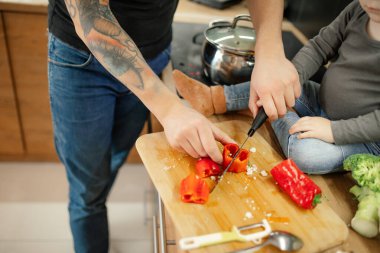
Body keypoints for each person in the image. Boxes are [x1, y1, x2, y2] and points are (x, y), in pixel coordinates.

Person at [48, 0, 296, 252]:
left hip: (153, 55)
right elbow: (90, 14)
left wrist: (270, 52)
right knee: (87, 188)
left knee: (113, 157)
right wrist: (169, 109)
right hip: (81, 62)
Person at [173, 0, 380, 174]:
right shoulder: (357, 10)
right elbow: (319, 47)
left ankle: (277, 115)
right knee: (277, 85)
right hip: (320, 101)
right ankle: (213, 99)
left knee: (308, 157)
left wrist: (334, 131)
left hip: (364, 139)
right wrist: (287, 81)